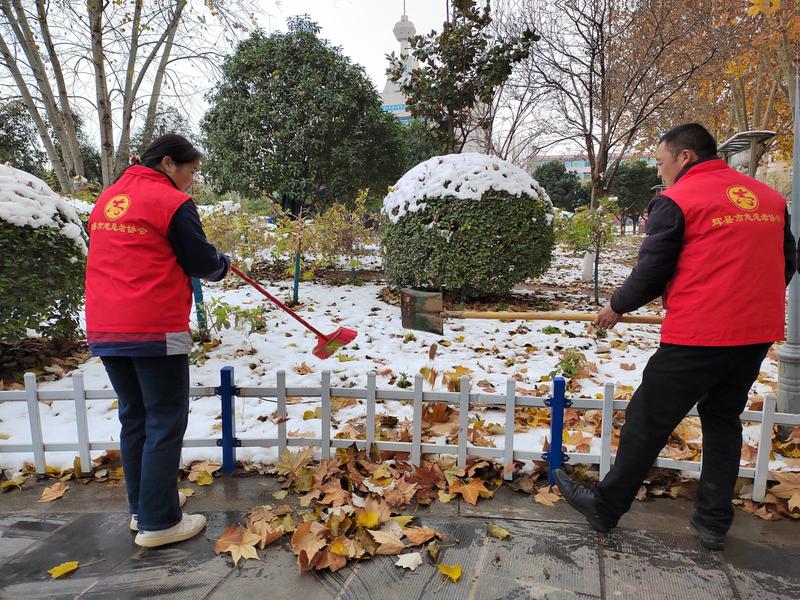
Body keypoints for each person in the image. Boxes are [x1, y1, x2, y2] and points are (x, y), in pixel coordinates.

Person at [555, 123, 798, 550]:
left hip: (698, 335)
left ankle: (605, 507)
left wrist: (617, 305)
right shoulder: (770, 199)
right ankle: (713, 521)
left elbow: (651, 271)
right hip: (755, 334)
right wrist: (749, 300)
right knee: (723, 420)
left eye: (662, 162)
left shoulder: (678, 200)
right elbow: (787, 263)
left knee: (647, 422)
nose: (660, 171)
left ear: (684, 157)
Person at [85, 134, 230, 548]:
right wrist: (222, 264)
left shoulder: (109, 197)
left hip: (106, 326)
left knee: (135, 417)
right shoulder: (171, 203)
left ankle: (142, 510)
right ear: (169, 163)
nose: (191, 180)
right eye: (191, 170)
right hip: (152, 325)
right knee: (165, 419)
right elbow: (201, 261)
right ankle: (161, 522)